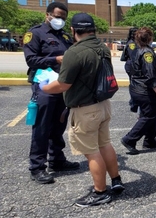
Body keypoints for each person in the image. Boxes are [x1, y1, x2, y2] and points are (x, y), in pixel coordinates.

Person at [39, 13, 124, 207]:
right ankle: (116, 180)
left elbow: (62, 84)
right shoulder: (102, 48)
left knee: (92, 152)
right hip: (103, 105)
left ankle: (100, 192)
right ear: (93, 29)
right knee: (105, 145)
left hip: (86, 110)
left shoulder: (74, 52)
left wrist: (43, 87)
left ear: (73, 30)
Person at [23, 1, 79, 184]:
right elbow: (31, 60)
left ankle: (57, 160)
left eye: (63, 17)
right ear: (47, 15)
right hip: (44, 85)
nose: (60, 20)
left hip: (62, 86)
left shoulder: (64, 36)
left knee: (58, 125)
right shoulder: (35, 33)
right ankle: (37, 167)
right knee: (42, 127)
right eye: (57, 16)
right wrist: (55, 58)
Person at [121, 27, 156, 155]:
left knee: (153, 115)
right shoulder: (147, 53)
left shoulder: (138, 50)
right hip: (145, 90)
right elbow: (150, 76)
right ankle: (129, 139)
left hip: (137, 88)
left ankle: (150, 140)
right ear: (150, 38)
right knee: (148, 116)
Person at [120, 27, 139, 112]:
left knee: (134, 84)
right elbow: (133, 56)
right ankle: (133, 103)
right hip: (132, 66)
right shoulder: (132, 44)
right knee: (134, 84)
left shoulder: (135, 42)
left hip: (133, 65)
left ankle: (134, 101)